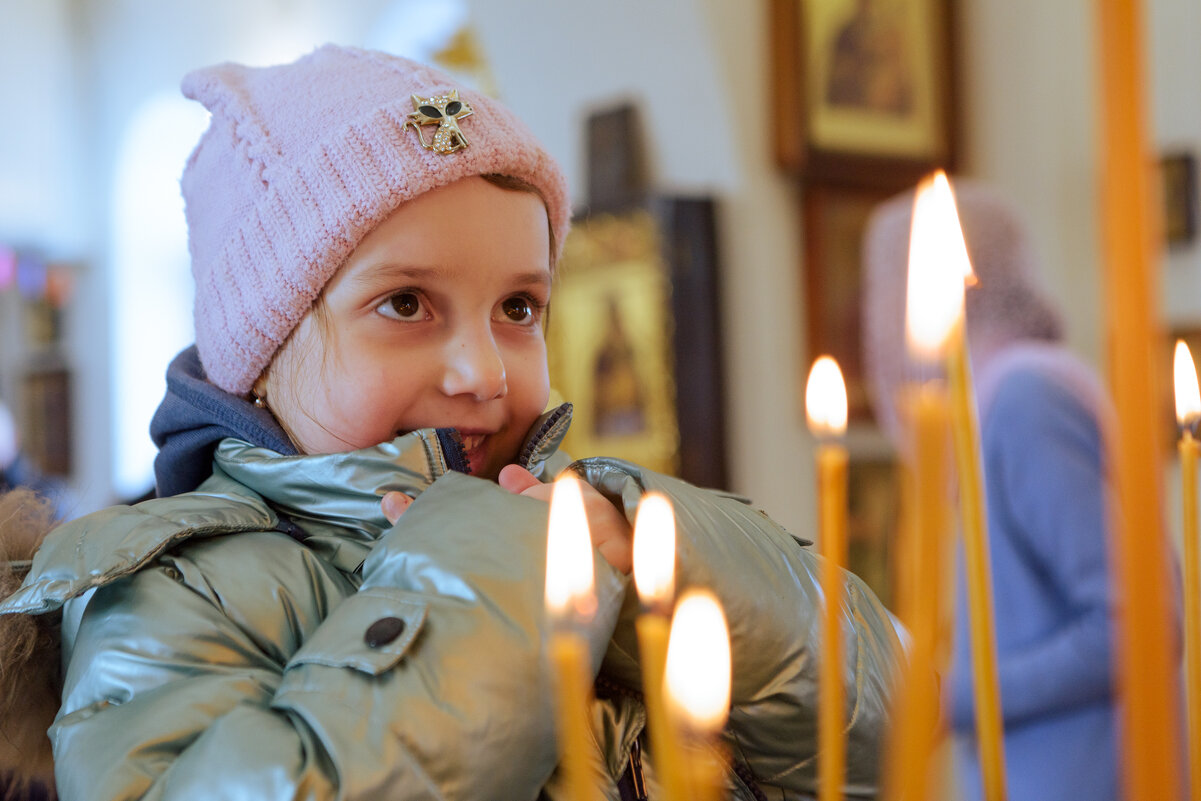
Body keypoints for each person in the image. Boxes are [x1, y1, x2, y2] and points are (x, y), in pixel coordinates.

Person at [0, 46, 901, 800]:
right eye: (405, 303)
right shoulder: (176, 598)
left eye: (518, 306)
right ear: (262, 350)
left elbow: (893, 743)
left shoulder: (591, 525)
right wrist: (493, 575)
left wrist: (667, 547)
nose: (481, 372)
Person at [861, 179, 1171, 800]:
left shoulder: (1026, 397)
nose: (873, 318)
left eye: (883, 286)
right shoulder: (994, 400)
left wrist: (953, 698)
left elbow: (1142, 622)